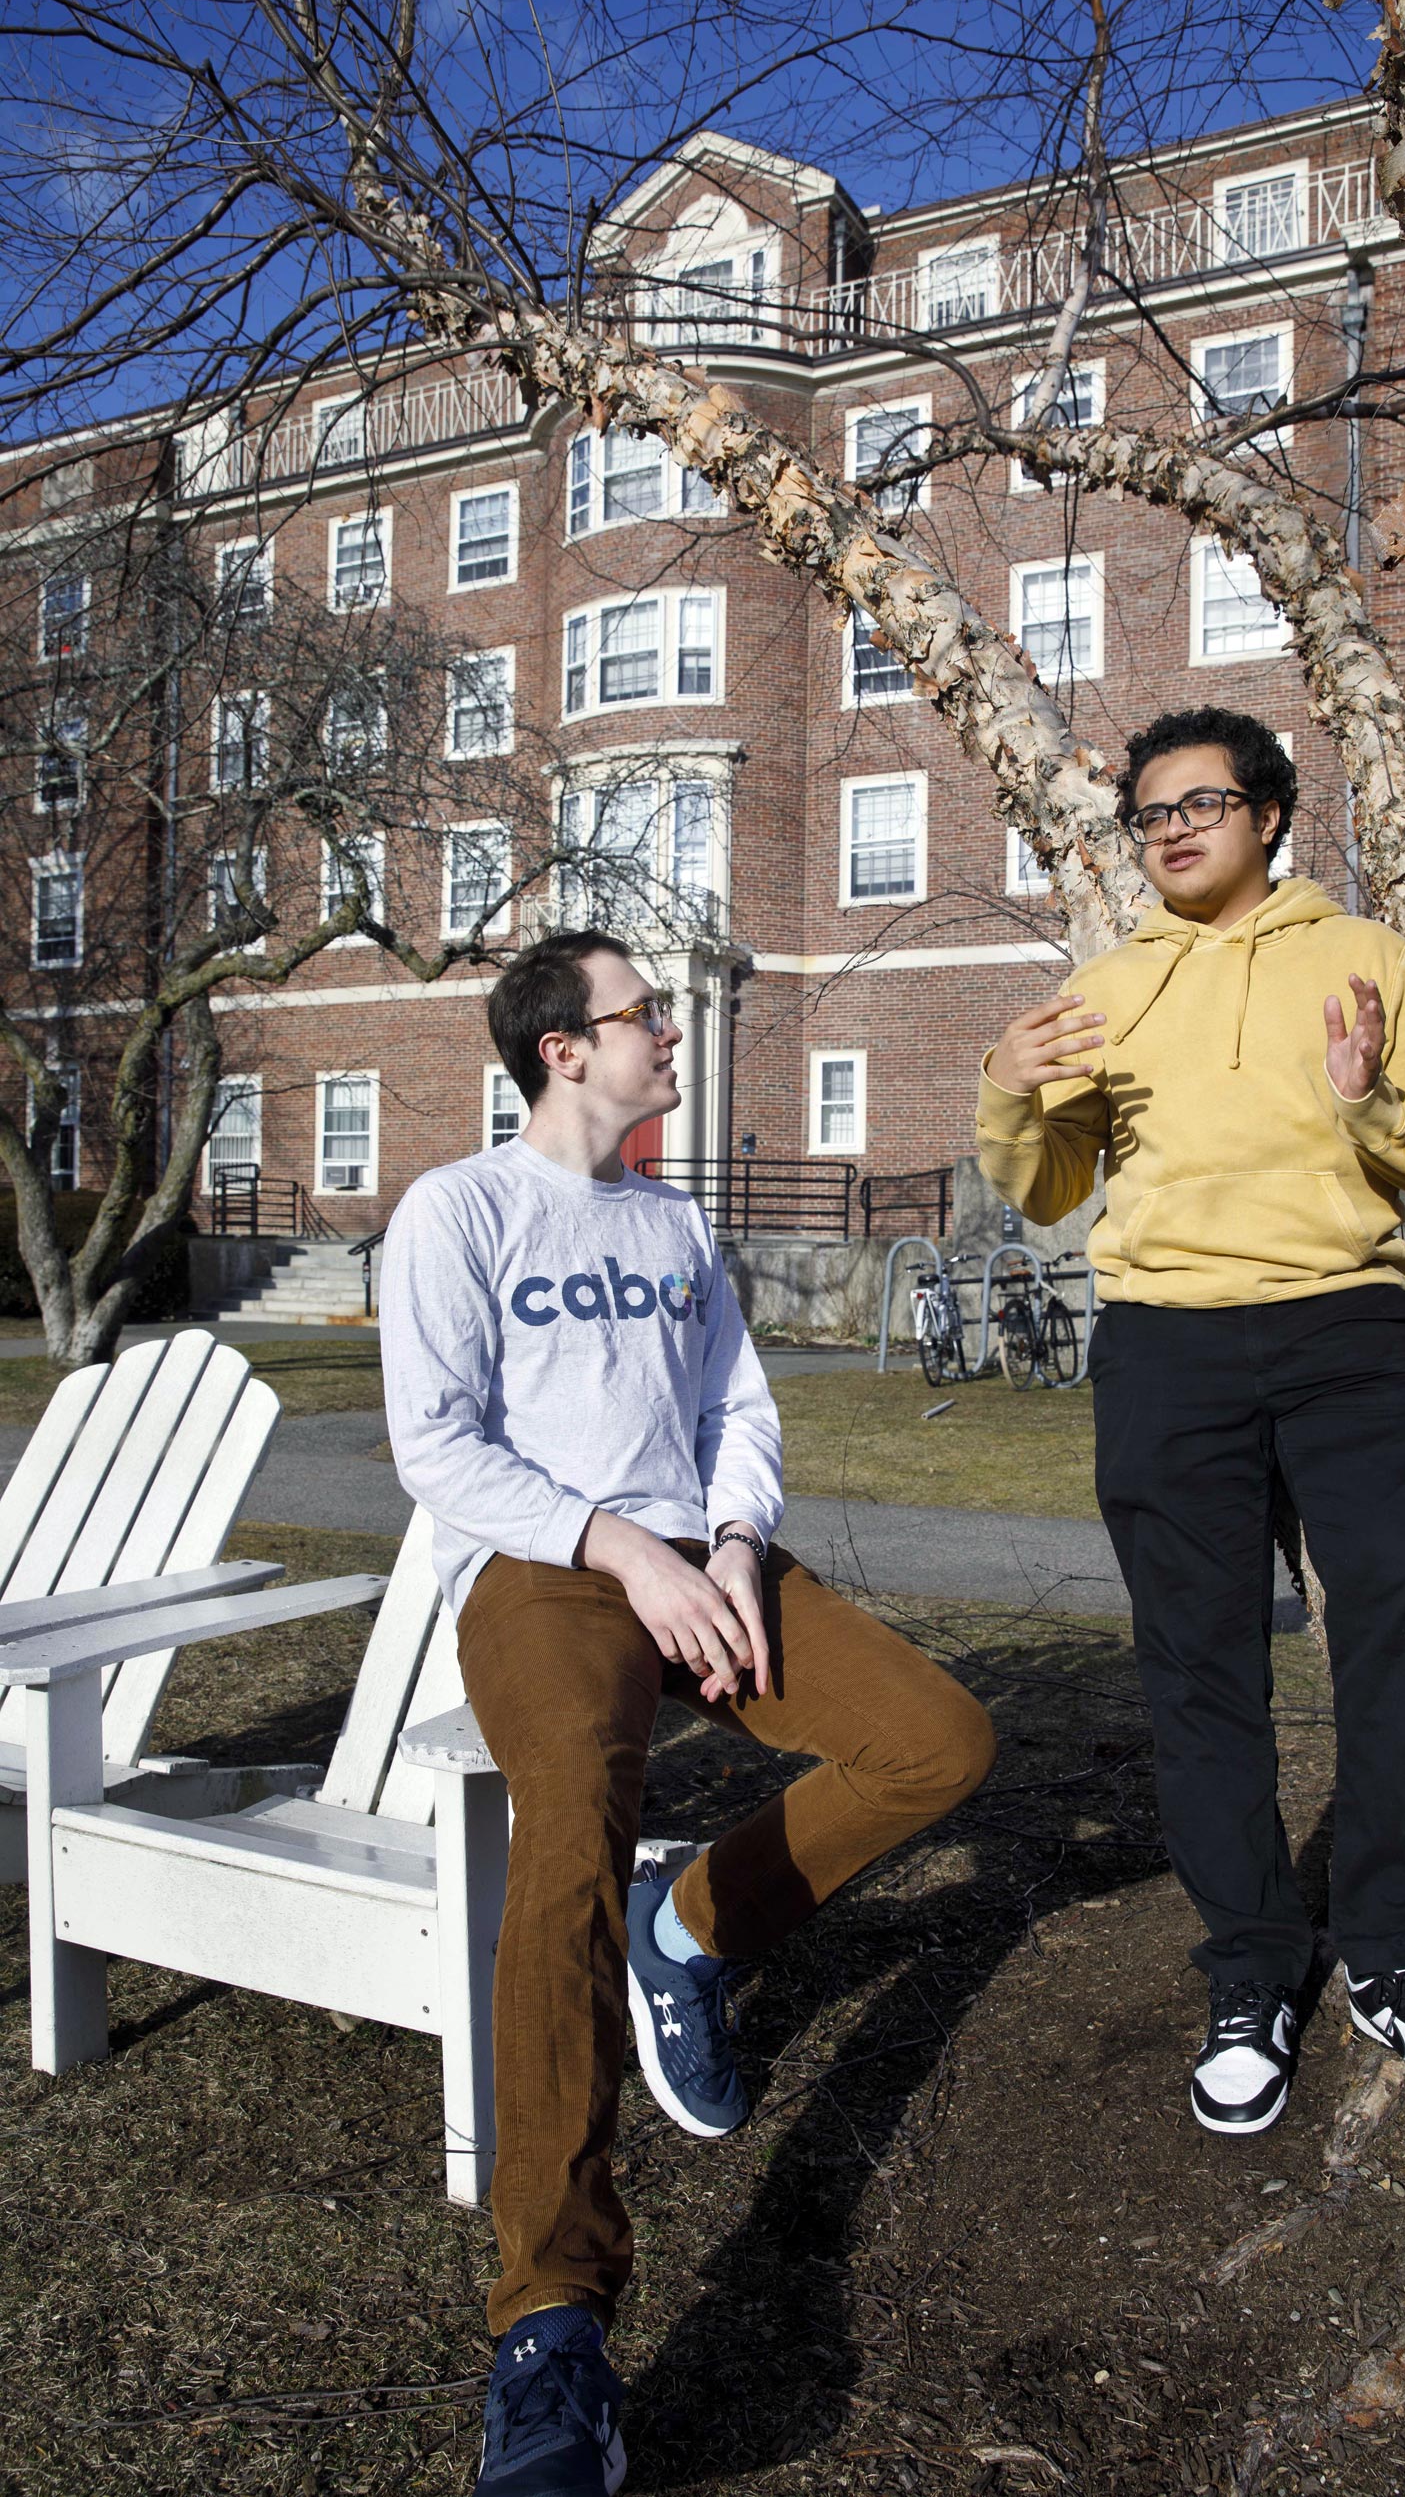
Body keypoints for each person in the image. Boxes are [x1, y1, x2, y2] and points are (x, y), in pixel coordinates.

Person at [380, 929, 994, 2497]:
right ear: (561, 1052)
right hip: (549, 1576)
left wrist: (725, 1545)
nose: (667, 1035)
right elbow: (438, 1449)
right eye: (640, 1016)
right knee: (567, 1842)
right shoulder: (459, 1211)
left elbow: (736, 1407)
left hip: (698, 1563)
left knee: (939, 1742)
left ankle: (693, 1932)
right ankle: (553, 2329)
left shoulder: (668, 1217)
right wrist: (623, 1548)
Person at [976, 705, 1405, 2145]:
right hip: (1168, 1344)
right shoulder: (1106, 986)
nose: (1173, 828)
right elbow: (1046, 1191)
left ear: (1271, 814)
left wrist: (1370, 1108)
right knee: (1198, 1656)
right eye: (1150, 813)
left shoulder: (1368, 959)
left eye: (1203, 803)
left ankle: (1401, 1949)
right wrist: (1004, 1090)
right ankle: (1250, 1970)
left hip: (1350, 1329)